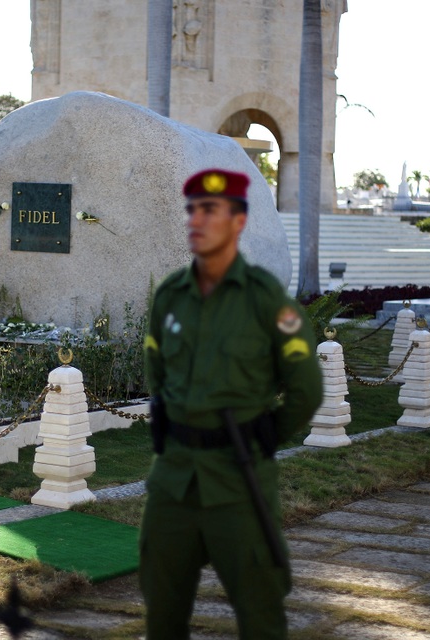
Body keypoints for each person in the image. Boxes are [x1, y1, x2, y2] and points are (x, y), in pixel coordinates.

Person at [140, 168, 323, 639]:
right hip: (173, 481)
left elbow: (306, 386)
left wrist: (264, 434)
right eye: (192, 209)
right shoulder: (170, 295)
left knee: (259, 614)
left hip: (238, 481)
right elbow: (155, 365)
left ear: (238, 220)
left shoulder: (267, 301)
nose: (195, 220)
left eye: (210, 210)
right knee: (161, 612)